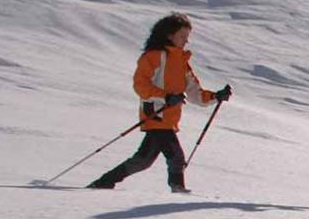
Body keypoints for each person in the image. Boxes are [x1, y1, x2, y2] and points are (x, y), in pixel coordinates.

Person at [89, 13, 232, 192]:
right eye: (182, 37)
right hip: (156, 115)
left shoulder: (182, 63)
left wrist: (216, 96)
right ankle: (177, 187)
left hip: (169, 119)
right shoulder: (154, 57)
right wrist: (165, 97)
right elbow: (140, 85)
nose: (186, 41)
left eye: (187, 38)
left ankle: (104, 182)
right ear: (169, 35)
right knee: (176, 156)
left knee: (143, 161)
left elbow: (195, 94)